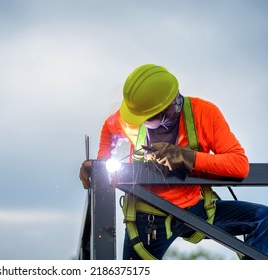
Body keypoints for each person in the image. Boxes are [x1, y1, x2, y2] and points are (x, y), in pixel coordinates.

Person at [79, 64, 268, 259]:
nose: (141, 123)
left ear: (170, 108)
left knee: (263, 218)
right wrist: (101, 165)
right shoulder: (133, 118)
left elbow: (239, 165)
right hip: (148, 218)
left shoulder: (204, 113)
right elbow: (109, 129)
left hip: (197, 210)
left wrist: (188, 158)